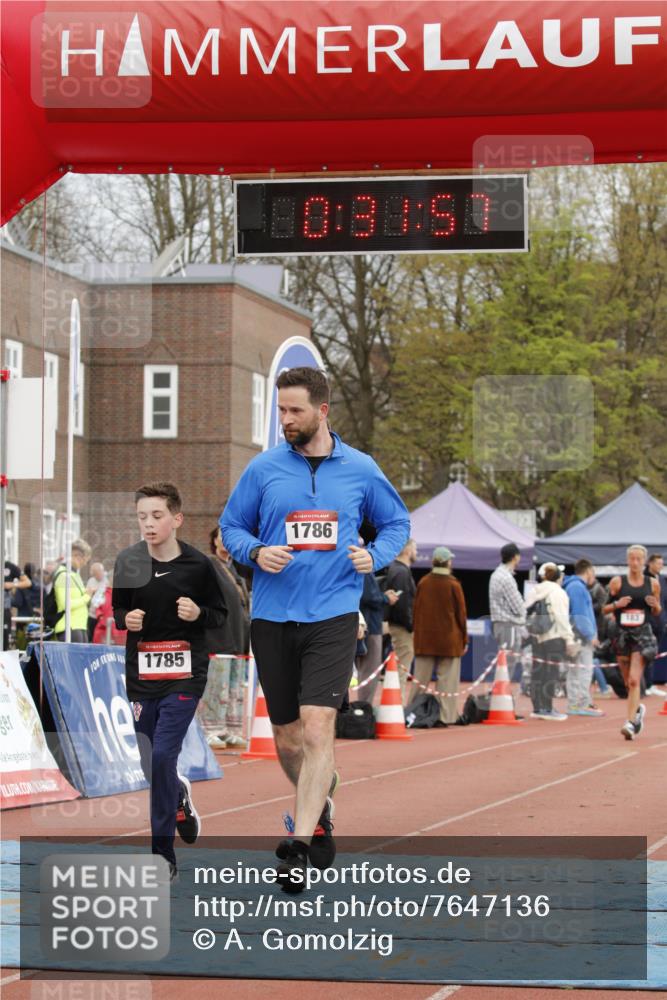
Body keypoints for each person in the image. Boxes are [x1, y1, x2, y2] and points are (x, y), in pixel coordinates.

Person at [221, 366, 409, 892]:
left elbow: (397, 523)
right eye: (280, 410)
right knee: (286, 737)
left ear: (322, 410)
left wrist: (375, 556)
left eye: (295, 410)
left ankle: (298, 846)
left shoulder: (361, 469)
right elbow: (231, 527)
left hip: (333, 615)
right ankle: (320, 806)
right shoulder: (263, 470)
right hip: (273, 617)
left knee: (318, 726)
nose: (285, 419)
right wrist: (257, 550)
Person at [112, 482, 226, 881]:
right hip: (142, 677)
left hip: (184, 675)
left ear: (176, 519)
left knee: (162, 756)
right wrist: (125, 620)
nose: (148, 523)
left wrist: (198, 613)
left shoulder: (198, 566)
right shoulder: (127, 562)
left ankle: (162, 855)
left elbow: (221, 614)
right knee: (151, 763)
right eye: (142, 516)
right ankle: (177, 794)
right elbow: (117, 610)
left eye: (157, 516)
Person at [603, 544, 662, 740]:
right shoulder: (617, 583)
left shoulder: (652, 583)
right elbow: (604, 609)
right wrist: (617, 605)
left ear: (644, 561)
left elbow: (657, 611)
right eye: (632, 559)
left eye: (639, 559)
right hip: (621, 634)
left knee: (635, 680)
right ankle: (637, 712)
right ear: (627, 560)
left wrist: (655, 606)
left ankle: (630, 723)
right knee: (628, 682)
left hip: (642, 634)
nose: (635, 562)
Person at [201, 524, 251, 749]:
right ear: (215, 541)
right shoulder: (210, 564)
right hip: (218, 637)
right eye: (223, 537)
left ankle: (231, 729)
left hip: (238, 637)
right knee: (216, 686)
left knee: (235, 686)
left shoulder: (234, 569)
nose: (227, 541)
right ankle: (210, 729)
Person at [411, 546, 468, 726]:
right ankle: (446, 716)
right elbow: (461, 615)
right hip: (449, 641)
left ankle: (413, 713)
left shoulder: (423, 582)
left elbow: (416, 611)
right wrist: (464, 640)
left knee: (420, 681)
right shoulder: (453, 584)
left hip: (425, 640)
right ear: (448, 562)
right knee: (447, 683)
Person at [526, 563, 578, 721]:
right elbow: (562, 618)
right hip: (553, 637)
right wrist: (569, 639)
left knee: (537, 672)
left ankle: (537, 707)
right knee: (551, 673)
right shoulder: (558, 593)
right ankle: (547, 708)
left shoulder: (535, 591)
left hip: (536, 636)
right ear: (558, 577)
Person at [563, 559, 603, 717]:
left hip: (575, 635)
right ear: (589, 571)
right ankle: (580, 703)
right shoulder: (578, 588)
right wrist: (590, 635)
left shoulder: (572, 586)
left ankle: (575, 703)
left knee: (575, 671)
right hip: (581, 637)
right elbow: (580, 615)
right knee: (584, 670)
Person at [355, 562, 399, 705]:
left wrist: (382, 595)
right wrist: (386, 598)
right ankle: (364, 708)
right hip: (370, 627)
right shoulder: (364, 569)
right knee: (370, 670)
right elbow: (369, 596)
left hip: (361, 624)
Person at [384, 538, 418, 700]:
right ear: (407, 550)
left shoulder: (396, 569)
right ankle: (397, 705)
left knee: (401, 668)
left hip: (398, 624)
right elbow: (402, 604)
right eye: (415, 548)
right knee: (401, 669)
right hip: (401, 626)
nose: (416, 552)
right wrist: (410, 625)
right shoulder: (401, 572)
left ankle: (396, 705)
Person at [489, 543, 526, 669]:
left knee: (503, 663)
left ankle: (498, 688)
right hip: (508, 625)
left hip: (499, 623)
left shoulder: (496, 574)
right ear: (515, 557)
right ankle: (501, 689)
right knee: (508, 664)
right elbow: (518, 606)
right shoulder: (506, 577)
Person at [52, 539, 92, 642]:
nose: (84, 563)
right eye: (85, 559)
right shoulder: (64, 575)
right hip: (70, 627)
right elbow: (65, 603)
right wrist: (86, 597)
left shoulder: (74, 574)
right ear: (77, 556)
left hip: (79, 626)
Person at [645, 553, 667, 695]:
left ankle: (650, 683)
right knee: (646, 653)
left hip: (661, 622)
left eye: (661, 563)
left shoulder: (663, 579)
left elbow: (665, 601)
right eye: (658, 563)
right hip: (648, 622)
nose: (660, 566)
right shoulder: (644, 579)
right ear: (650, 563)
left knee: (655, 653)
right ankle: (647, 685)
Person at [92, 572, 127, 645]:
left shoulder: (125, 593)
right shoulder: (102, 592)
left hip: (121, 633)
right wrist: (101, 617)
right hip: (104, 631)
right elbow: (96, 607)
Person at [3, 560, 31, 650]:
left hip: (4, 609)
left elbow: (27, 582)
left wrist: (11, 584)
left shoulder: (9, 566)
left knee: (4, 641)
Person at [86, 562, 108, 640]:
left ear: (102, 571)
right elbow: (87, 594)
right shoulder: (91, 581)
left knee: (101, 638)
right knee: (90, 636)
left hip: (103, 615)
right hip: (92, 614)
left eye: (98, 574)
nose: (97, 576)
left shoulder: (108, 580)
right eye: (94, 574)